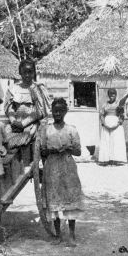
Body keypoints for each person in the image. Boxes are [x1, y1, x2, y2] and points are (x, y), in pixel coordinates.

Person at [39, 98, 84, 247]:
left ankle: (71, 235)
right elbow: (42, 150)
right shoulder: (47, 129)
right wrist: (50, 151)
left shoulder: (72, 129)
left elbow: (78, 151)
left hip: (67, 166)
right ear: (51, 112)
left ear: (65, 111)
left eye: (60, 111)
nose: (57, 113)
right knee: (54, 201)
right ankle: (58, 234)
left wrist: (66, 148)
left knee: (69, 199)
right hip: (51, 167)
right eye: (55, 111)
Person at [4, 60, 50, 148]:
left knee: (29, 141)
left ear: (34, 72)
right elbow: (9, 108)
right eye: (24, 72)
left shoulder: (38, 89)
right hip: (15, 123)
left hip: (33, 123)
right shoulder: (13, 88)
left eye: (30, 72)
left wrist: (24, 123)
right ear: (20, 72)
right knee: (6, 140)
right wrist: (13, 120)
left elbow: (41, 111)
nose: (27, 75)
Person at [98, 89, 126, 166]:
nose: (112, 96)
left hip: (116, 125)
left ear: (116, 95)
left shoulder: (119, 104)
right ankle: (107, 160)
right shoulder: (105, 104)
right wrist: (104, 124)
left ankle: (115, 160)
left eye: (113, 94)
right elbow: (101, 115)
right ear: (108, 95)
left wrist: (117, 124)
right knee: (107, 141)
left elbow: (122, 115)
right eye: (110, 94)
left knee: (115, 141)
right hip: (107, 125)